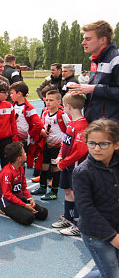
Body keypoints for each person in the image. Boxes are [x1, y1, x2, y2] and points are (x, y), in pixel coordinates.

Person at [73, 118, 119, 278]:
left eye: (103, 144)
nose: (96, 148)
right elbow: (86, 208)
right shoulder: (83, 172)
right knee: (112, 274)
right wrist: (112, 236)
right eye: (91, 143)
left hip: (116, 227)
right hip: (97, 234)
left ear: (116, 144)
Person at [51, 93, 89, 237]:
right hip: (66, 165)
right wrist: (60, 156)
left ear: (68, 106)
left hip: (76, 167)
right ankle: (68, 218)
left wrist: (64, 162)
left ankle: (78, 224)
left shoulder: (82, 125)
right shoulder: (72, 123)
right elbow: (64, 144)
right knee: (67, 191)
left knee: (77, 194)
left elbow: (80, 150)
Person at [67, 21, 119, 123]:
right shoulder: (95, 60)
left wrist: (92, 89)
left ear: (103, 40)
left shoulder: (116, 59)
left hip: (110, 127)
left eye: (88, 39)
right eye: (84, 39)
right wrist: (82, 92)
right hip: (94, 123)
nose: (83, 42)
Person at [31, 89, 70, 200]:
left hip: (57, 146)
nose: (48, 102)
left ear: (59, 102)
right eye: (47, 100)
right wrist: (42, 131)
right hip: (47, 145)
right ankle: (42, 187)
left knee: (55, 168)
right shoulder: (44, 112)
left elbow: (70, 128)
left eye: (51, 100)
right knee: (44, 166)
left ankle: (54, 191)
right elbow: (41, 125)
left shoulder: (62, 114)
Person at [0, 142, 49, 225]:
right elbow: (7, 195)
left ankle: (22, 208)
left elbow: (23, 188)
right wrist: (24, 205)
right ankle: (5, 210)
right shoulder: (7, 173)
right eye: (24, 152)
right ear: (19, 158)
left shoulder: (20, 168)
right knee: (29, 218)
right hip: (7, 202)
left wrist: (30, 199)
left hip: (18, 198)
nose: (26, 153)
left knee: (43, 213)